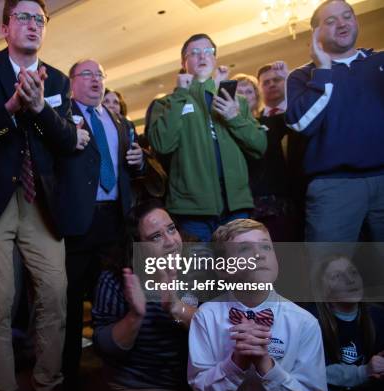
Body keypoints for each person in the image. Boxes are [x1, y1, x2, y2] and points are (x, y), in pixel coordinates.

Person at [0, 1, 83, 391]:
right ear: (5, 27)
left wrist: (41, 107)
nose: (32, 24)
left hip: (40, 203)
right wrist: (11, 107)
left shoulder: (59, 80)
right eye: (23, 17)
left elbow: (66, 143)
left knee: (55, 293)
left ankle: (47, 384)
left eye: (39, 19)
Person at [60, 59, 144, 384]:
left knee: (114, 297)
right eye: (88, 74)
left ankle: (118, 369)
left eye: (101, 75)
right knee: (70, 303)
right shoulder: (62, 117)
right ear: (72, 81)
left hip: (115, 221)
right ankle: (68, 375)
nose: (96, 80)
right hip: (80, 221)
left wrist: (138, 163)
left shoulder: (118, 120)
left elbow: (129, 167)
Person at [188, 219, 329, 391]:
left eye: (266, 247)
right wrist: (236, 363)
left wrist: (267, 367)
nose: (259, 255)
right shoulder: (205, 317)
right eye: (245, 249)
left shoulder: (305, 323)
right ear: (222, 269)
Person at [147, 33, 267, 242]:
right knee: (199, 274)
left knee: (242, 273)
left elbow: (259, 146)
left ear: (215, 59)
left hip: (236, 207)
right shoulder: (167, 103)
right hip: (192, 211)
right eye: (194, 53)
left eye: (208, 52)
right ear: (184, 63)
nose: (202, 56)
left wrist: (234, 117)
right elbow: (162, 145)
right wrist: (180, 95)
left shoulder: (236, 101)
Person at [286, 0, 384, 242]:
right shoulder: (301, 76)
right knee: (329, 271)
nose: (342, 24)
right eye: (330, 21)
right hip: (333, 187)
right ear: (316, 32)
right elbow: (301, 124)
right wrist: (323, 70)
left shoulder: (379, 62)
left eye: (347, 16)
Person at [91, 199, 197, 391]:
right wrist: (135, 316)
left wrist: (176, 308)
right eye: (156, 236)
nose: (170, 241)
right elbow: (103, 347)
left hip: (195, 377)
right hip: (143, 383)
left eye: (171, 229)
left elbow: (217, 328)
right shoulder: (115, 279)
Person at [310, 255, 384, 391]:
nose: (350, 280)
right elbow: (317, 372)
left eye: (353, 272)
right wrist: (363, 372)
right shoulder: (311, 321)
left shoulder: (377, 315)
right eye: (337, 276)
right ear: (323, 289)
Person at [247, 61, 307, 242]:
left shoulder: (301, 112)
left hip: (306, 192)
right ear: (259, 89)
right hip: (270, 204)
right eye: (266, 82)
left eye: (277, 80)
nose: (272, 84)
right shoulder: (253, 125)